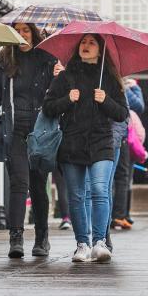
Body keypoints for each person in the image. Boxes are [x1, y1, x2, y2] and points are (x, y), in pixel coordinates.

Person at [43, 34, 128, 263]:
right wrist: (67, 100)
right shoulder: (66, 76)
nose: (86, 46)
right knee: (77, 195)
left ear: (100, 50)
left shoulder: (109, 77)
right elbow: (48, 107)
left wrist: (106, 100)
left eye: (91, 43)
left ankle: (100, 242)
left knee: (100, 190)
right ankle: (82, 244)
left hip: (101, 142)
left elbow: (122, 113)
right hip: (72, 143)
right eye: (83, 42)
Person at [0, 22, 61, 259]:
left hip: (40, 132)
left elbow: (58, 94)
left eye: (26, 30)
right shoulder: (5, 61)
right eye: (17, 30)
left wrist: (60, 75)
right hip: (14, 131)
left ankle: (42, 238)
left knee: (39, 187)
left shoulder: (48, 60)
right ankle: (16, 238)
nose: (22, 35)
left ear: (33, 32)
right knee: (19, 183)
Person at [111, 79, 144, 232]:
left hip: (106, 136)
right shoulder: (120, 86)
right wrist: (134, 88)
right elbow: (139, 106)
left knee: (108, 178)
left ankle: (113, 215)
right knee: (121, 177)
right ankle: (118, 215)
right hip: (118, 137)